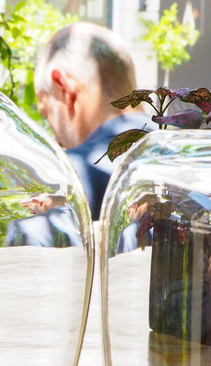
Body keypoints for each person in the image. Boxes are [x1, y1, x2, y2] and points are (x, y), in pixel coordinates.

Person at [33, 22, 147, 220]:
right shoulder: (185, 155)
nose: (57, 141)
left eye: (47, 114)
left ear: (64, 88)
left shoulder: (65, 179)